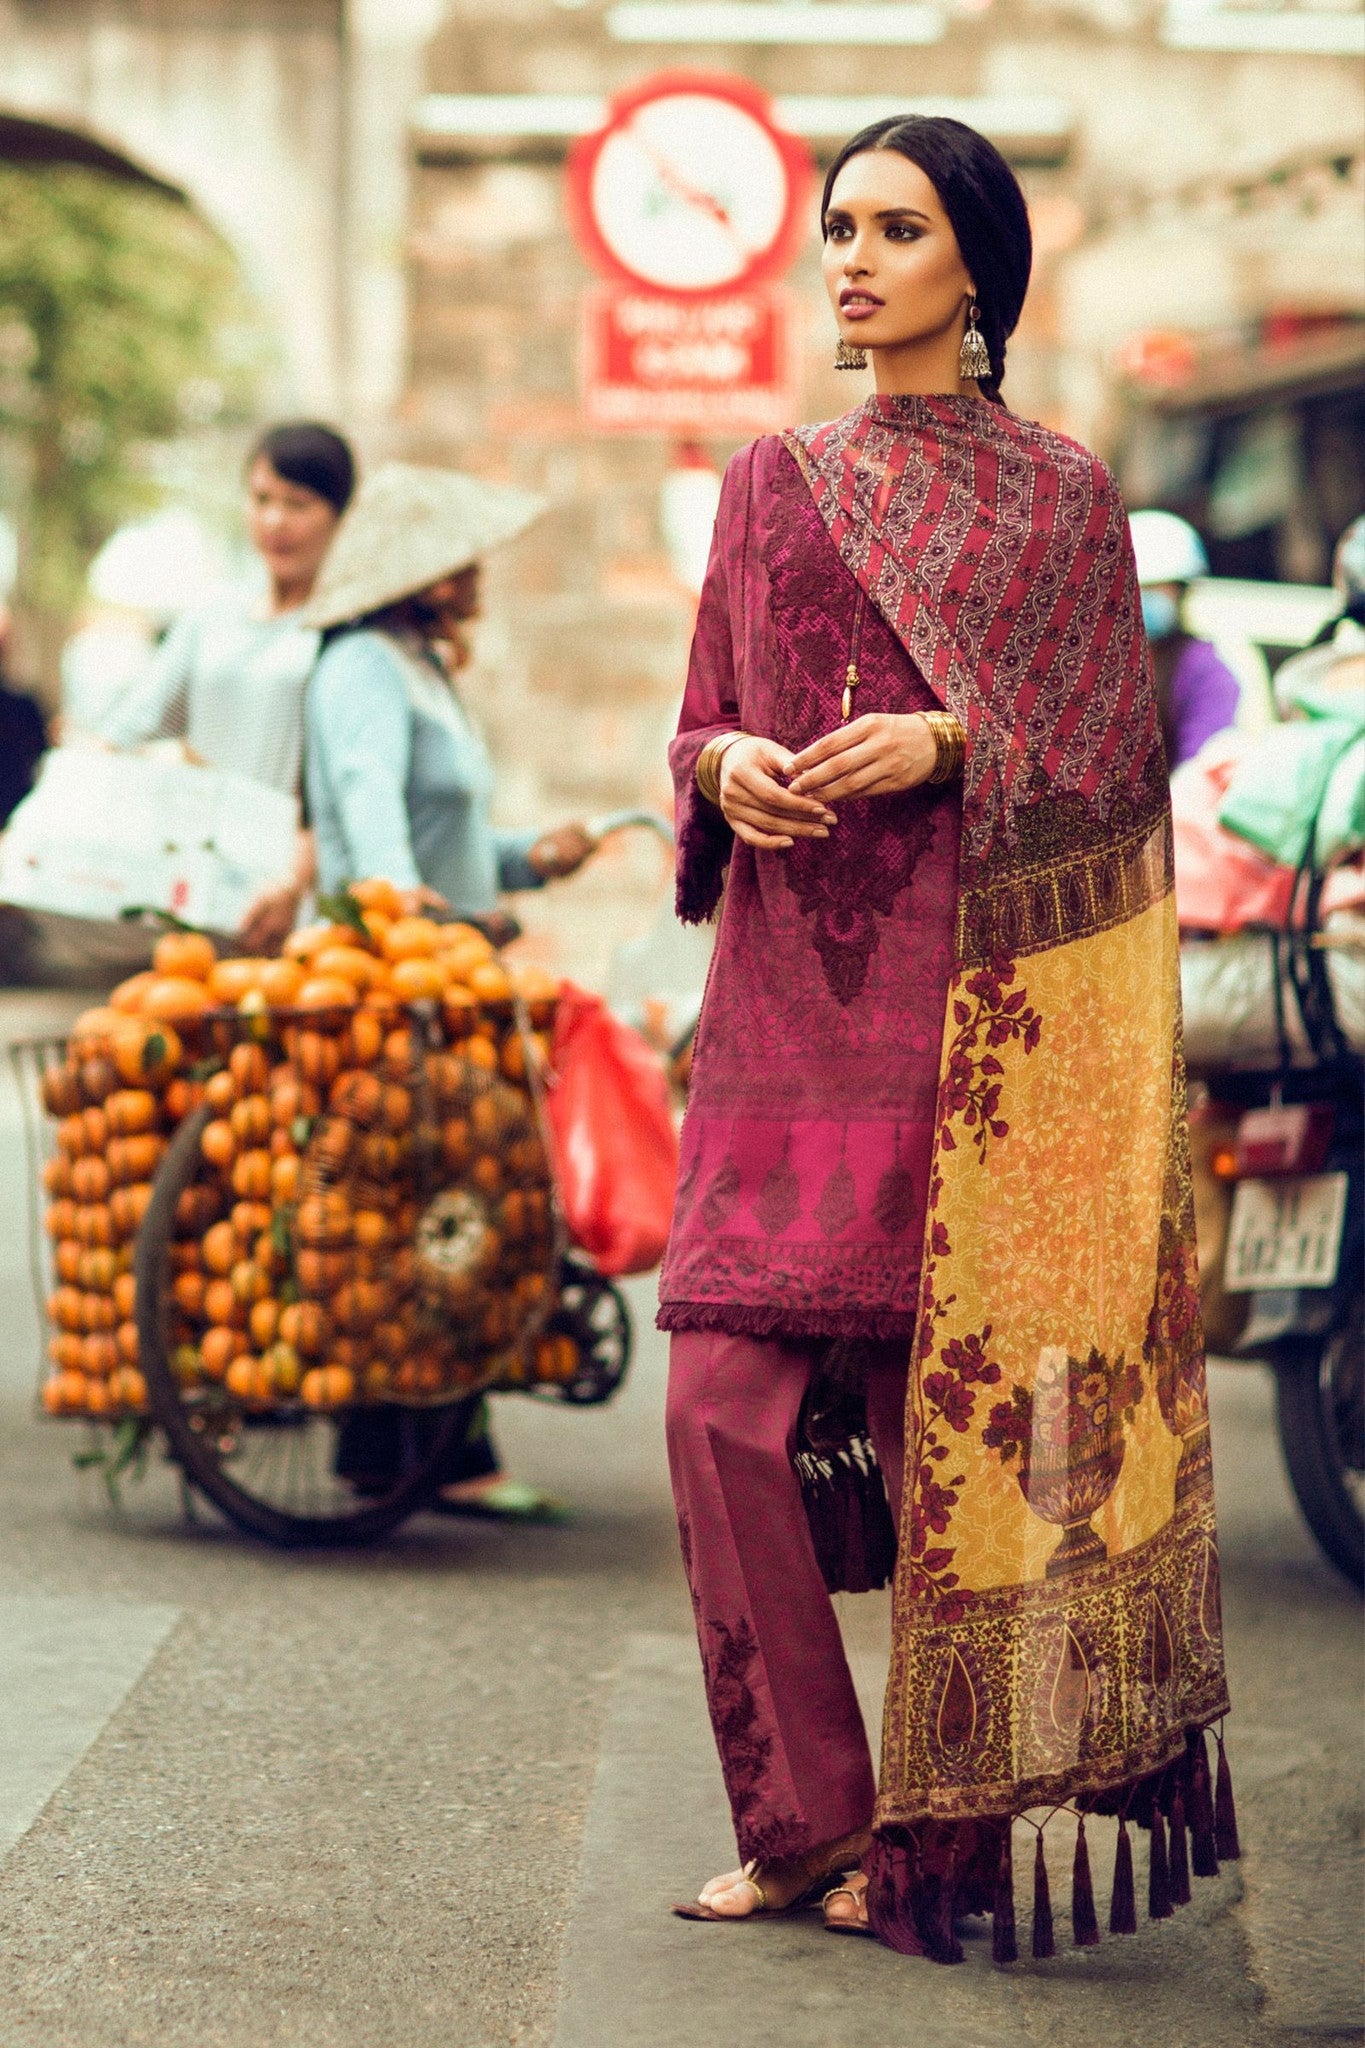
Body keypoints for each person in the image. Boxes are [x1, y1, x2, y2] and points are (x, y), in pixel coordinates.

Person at [661, 116, 1233, 1960]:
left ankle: (943, 1834)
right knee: (719, 1409)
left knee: (948, 1438)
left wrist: (947, 741)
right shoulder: (771, 478)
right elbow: (700, 721)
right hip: (776, 1014)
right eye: (838, 227)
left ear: (971, 265)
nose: (851, 258)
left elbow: (1106, 765)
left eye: (894, 229)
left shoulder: (1061, 496)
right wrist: (726, 768)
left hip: (969, 1018)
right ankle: (804, 1814)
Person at [298, 461, 597, 1518]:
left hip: (450, 967)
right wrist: (415, 911)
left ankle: (401, 1439)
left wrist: (530, 858)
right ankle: (440, 1439)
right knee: (441, 1198)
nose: (477, 576)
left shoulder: (423, 667)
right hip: (394, 970)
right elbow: (372, 813)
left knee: (439, 1195)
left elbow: (452, 834)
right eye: (460, 559)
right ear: (417, 574)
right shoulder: (364, 669)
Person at [97, 421, 356, 951]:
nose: (274, 520)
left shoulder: (350, 632)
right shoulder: (211, 616)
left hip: (295, 894)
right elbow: (125, 732)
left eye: (299, 504)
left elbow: (339, 787)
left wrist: (293, 881)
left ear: (340, 517)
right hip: (196, 884)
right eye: (261, 499)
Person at [1129, 509, 1241, 769]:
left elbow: (1201, 767)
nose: (1146, 598)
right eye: (1136, 587)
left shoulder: (1203, 669)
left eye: (1159, 588)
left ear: (1181, 593)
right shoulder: (1092, 661)